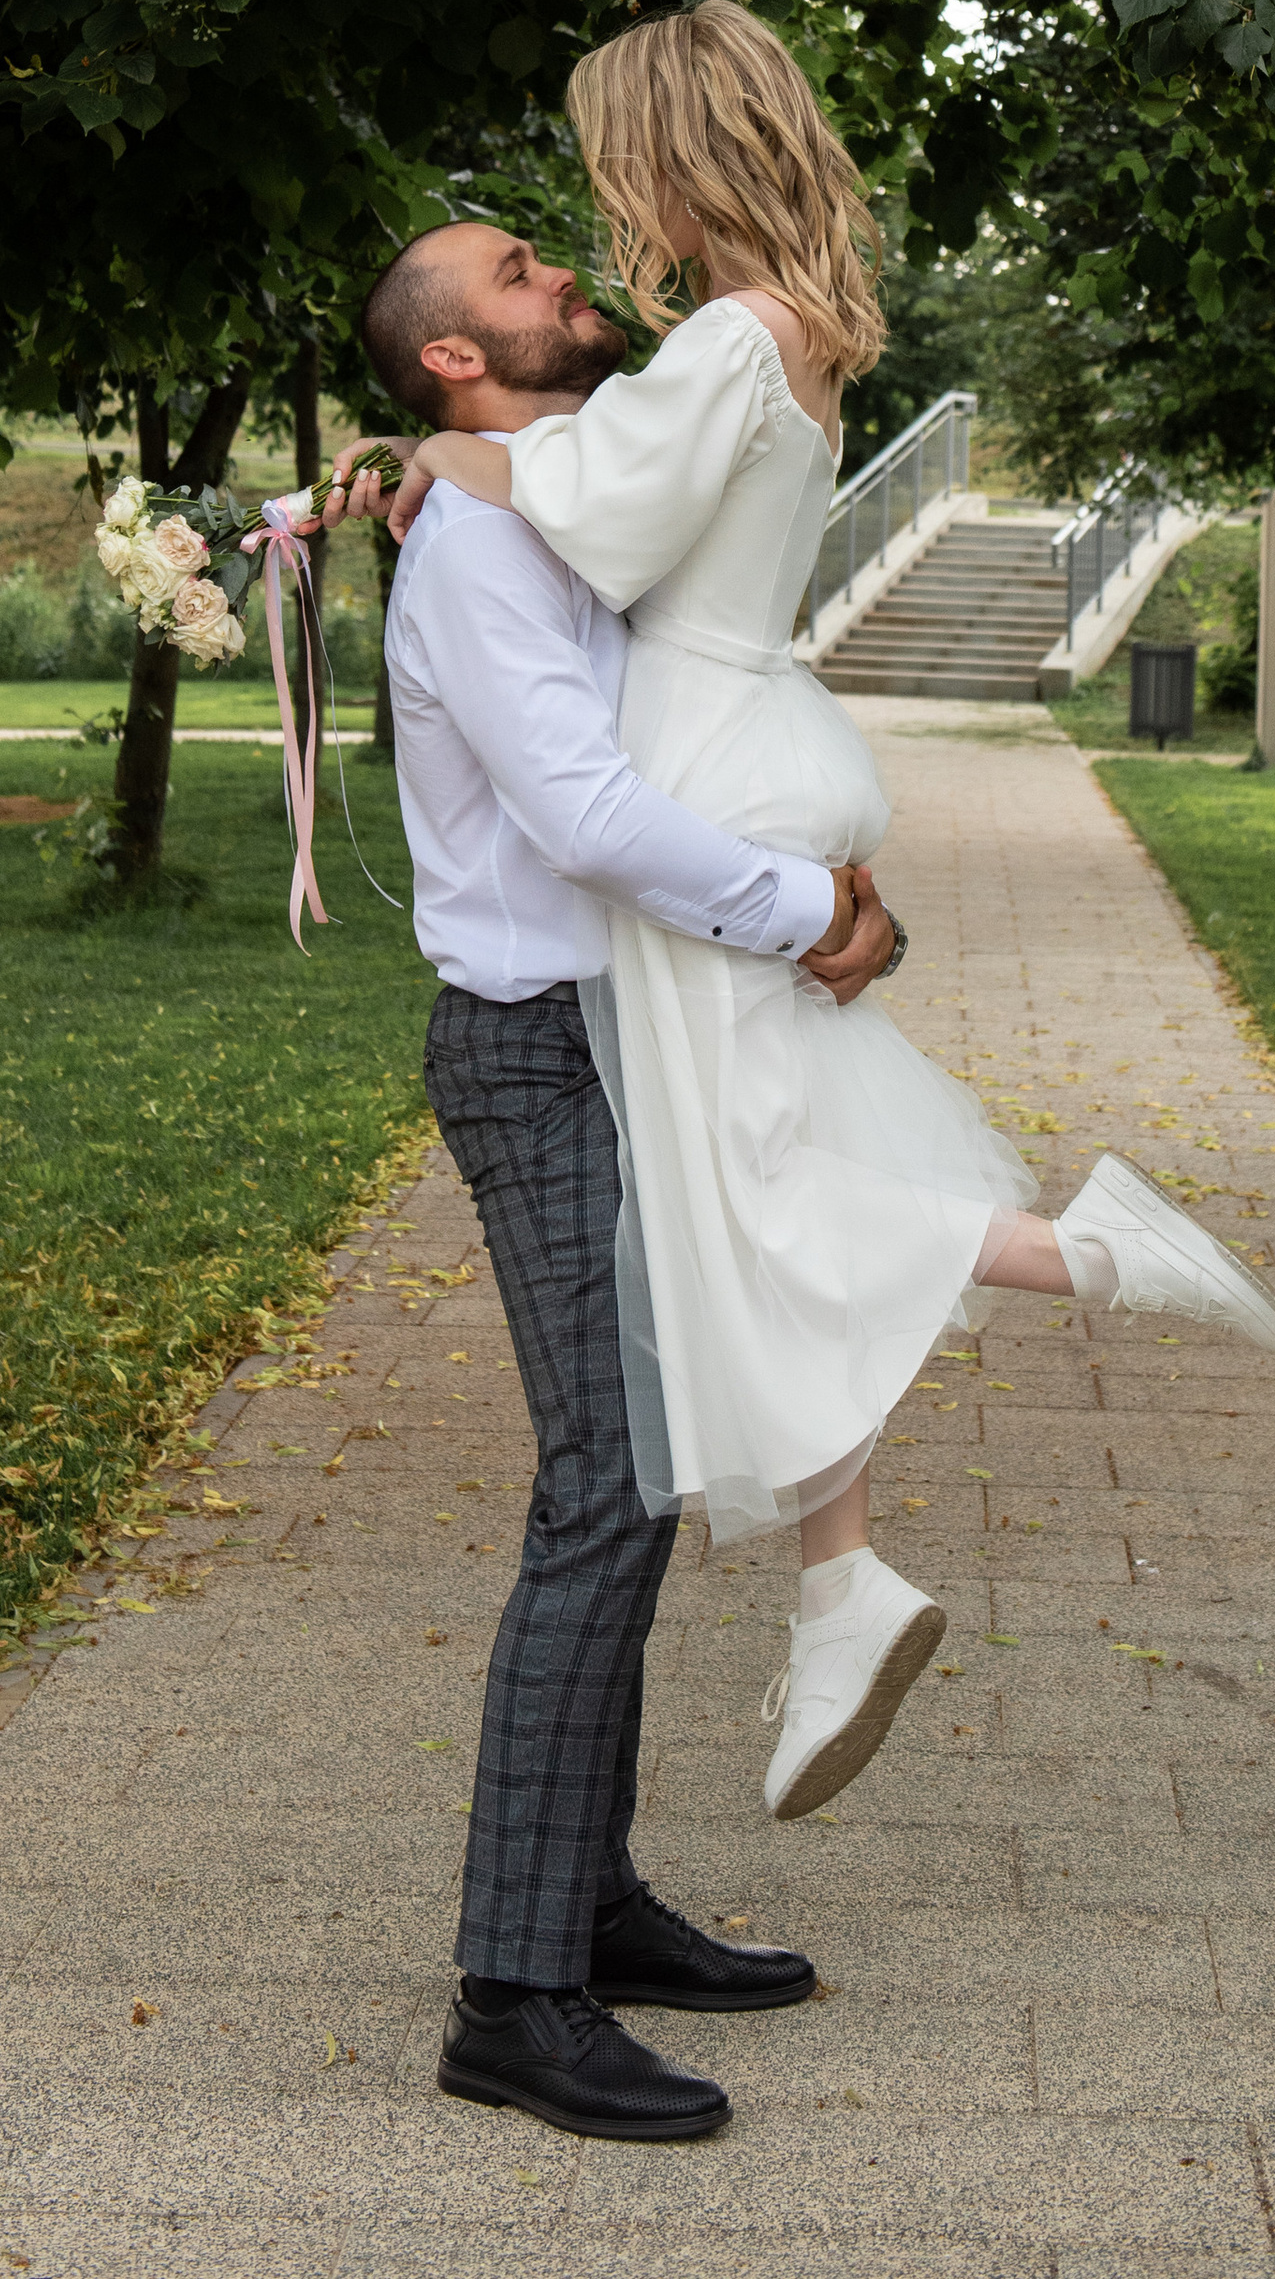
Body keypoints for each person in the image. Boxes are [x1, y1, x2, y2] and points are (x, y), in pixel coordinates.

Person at [343, 1, 1275, 1844]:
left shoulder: (718, 339)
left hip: (702, 759)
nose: (589, 218)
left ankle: (1077, 1264)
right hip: (759, 738)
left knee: (753, 1190)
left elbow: (606, 526)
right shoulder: (794, 324)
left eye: (607, 174)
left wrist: (464, 461)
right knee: (747, 1180)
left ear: (672, 157)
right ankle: (840, 1581)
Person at [349, 219, 898, 2145]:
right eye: (519, 273)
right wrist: (797, 909)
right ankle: (514, 1992)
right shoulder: (486, 553)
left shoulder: (535, 501)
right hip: (538, 1046)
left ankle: (586, 1902)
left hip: (627, 1029)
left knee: (642, 1480)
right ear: (450, 357)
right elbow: (583, 810)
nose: (564, 278)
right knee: (601, 1493)